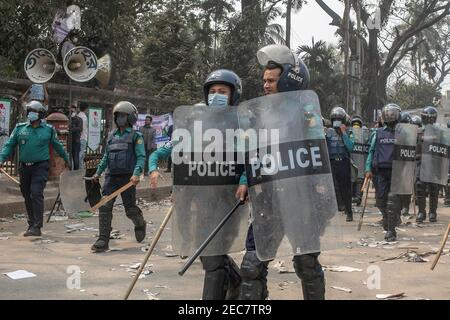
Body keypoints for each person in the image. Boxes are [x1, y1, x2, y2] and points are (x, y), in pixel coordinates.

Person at [239, 44, 326, 300]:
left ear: (289, 81)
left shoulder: (307, 114)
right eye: (264, 80)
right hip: (268, 199)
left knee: (306, 264)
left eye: (271, 80)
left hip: (301, 200)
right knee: (251, 266)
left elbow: (317, 152)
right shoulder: (260, 115)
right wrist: (246, 180)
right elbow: (253, 153)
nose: (265, 85)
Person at [149, 69, 245, 300]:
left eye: (222, 91)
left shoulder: (241, 125)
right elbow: (163, 152)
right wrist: (154, 169)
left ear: (234, 94)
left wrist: (244, 181)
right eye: (212, 92)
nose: (216, 95)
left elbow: (252, 160)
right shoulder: (195, 128)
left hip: (229, 201)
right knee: (208, 253)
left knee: (212, 258)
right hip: (203, 202)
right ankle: (237, 282)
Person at [0, 100, 69, 236]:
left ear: (41, 114)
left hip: (41, 166)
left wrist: (66, 159)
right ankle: (31, 223)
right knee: (26, 195)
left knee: (36, 192)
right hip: (24, 167)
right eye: (30, 111)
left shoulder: (48, 130)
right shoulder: (20, 128)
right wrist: (1, 159)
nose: (31, 114)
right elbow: (9, 145)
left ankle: (37, 226)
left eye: (34, 112)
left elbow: (58, 146)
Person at [91, 101, 147, 252]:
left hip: (128, 178)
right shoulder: (111, 136)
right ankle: (103, 239)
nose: (119, 118)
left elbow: (141, 157)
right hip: (111, 178)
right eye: (118, 116)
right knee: (105, 206)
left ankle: (140, 223)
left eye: (123, 115)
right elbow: (106, 157)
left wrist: (136, 174)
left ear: (130, 118)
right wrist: (98, 172)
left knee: (130, 209)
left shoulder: (136, 136)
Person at [365, 103, 402, 242]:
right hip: (380, 171)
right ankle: (388, 219)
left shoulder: (403, 133)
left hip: (397, 171)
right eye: (388, 114)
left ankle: (391, 230)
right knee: (381, 200)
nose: (390, 116)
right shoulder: (378, 133)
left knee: (392, 200)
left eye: (393, 114)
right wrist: (368, 168)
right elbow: (372, 151)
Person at [326, 107, 355, 221]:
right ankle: (334, 209)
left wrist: (343, 133)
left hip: (343, 162)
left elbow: (351, 147)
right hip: (332, 163)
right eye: (335, 120)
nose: (336, 122)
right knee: (332, 188)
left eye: (339, 120)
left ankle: (349, 212)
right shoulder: (328, 132)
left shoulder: (349, 132)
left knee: (346, 189)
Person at [416, 106, 441, 223]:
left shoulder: (439, 133)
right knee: (420, 188)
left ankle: (432, 212)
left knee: (434, 189)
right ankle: (421, 211)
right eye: (428, 118)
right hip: (421, 163)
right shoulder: (418, 132)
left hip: (434, 163)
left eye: (432, 119)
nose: (430, 121)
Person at [69, 104, 82, 170]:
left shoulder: (79, 119)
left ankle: (75, 172)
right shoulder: (67, 118)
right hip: (68, 141)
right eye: (71, 111)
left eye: (73, 110)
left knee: (76, 157)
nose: (72, 112)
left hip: (76, 141)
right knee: (68, 157)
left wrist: (71, 128)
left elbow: (79, 129)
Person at [78, 102, 89, 168]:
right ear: (86, 109)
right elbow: (83, 128)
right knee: (81, 154)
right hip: (83, 137)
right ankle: (79, 168)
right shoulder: (84, 117)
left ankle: (80, 167)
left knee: (79, 154)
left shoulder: (78, 115)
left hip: (78, 137)